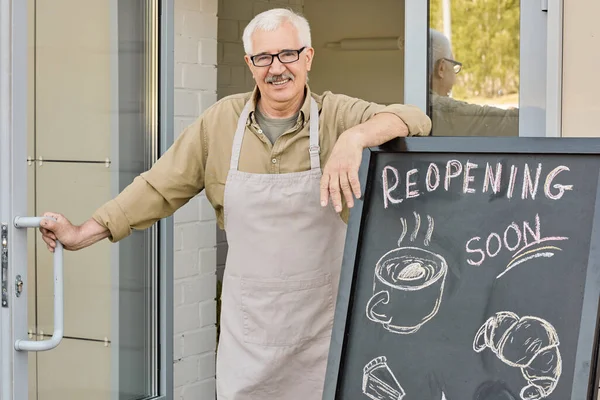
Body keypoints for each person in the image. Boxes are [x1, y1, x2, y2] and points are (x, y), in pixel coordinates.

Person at [39, 8, 431, 400]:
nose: (277, 68)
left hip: (322, 336)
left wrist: (353, 139)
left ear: (308, 57)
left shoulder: (336, 116)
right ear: (250, 64)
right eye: (264, 58)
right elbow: (157, 189)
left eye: (288, 54)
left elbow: (413, 118)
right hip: (249, 339)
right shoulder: (221, 123)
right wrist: (80, 233)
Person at [429, 28, 519, 137]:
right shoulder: (439, 110)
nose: (455, 81)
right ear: (441, 68)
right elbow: (506, 124)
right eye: (453, 66)